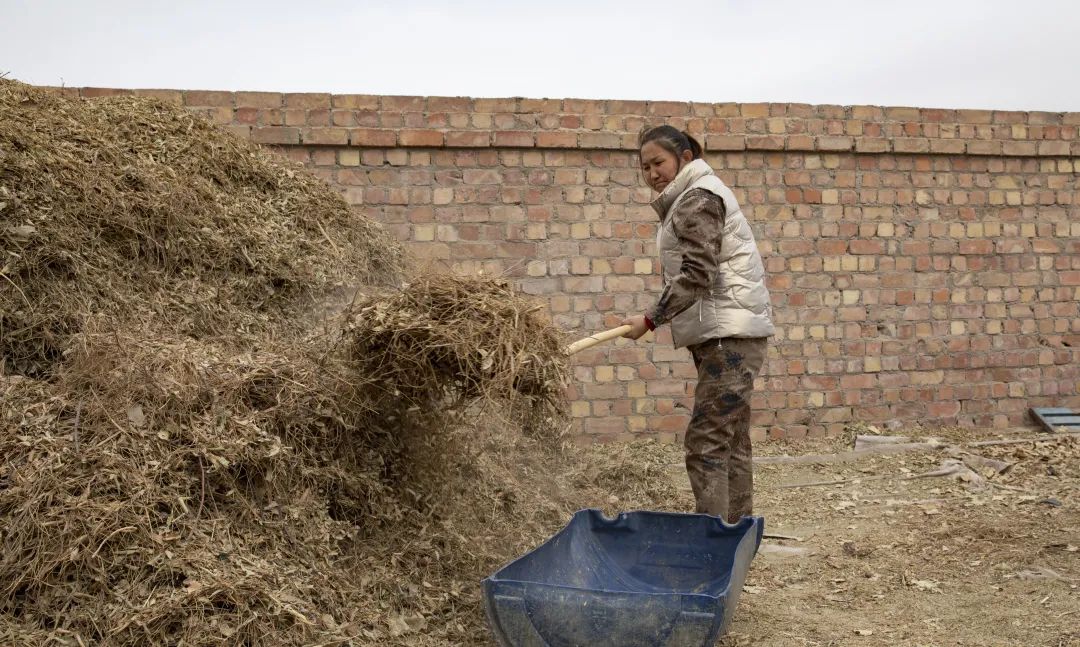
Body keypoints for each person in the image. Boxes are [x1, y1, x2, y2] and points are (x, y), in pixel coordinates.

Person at [621, 125, 775, 523]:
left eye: (659, 162)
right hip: (728, 333)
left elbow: (697, 274)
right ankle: (736, 536)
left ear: (685, 158)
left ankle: (711, 542)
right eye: (645, 167)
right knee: (730, 439)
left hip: (729, 335)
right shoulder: (692, 196)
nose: (652, 173)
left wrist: (649, 319)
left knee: (705, 442)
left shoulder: (697, 198)